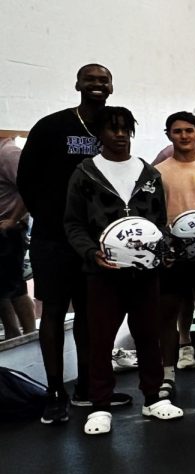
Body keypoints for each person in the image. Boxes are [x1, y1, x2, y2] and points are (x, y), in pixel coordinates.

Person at [64, 106, 183, 434]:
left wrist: (165, 249)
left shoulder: (149, 174)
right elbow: (73, 224)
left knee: (148, 335)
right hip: (103, 275)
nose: (118, 135)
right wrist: (91, 253)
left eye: (124, 128)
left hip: (145, 273)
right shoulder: (85, 173)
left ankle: (153, 398)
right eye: (111, 128)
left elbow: (160, 223)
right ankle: (100, 405)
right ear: (99, 134)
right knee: (100, 339)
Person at [17, 63, 120, 423]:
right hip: (53, 240)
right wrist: (50, 218)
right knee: (55, 313)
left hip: (97, 242)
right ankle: (55, 392)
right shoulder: (51, 126)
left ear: (111, 86)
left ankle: (88, 388)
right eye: (90, 79)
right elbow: (26, 179)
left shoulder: (113, 126)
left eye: (103, 80)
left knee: (91, 315)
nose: (97, 84)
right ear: (77, 84)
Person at [155, 111, 195, 388]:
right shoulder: (158, 172)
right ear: (169, 135)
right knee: (167, 315)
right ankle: (167, 375)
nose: (184, 136)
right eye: (177, 131)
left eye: (189, 131)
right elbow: (152, 215)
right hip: (171, 256)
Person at [0, 137, 34, 341]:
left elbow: (30, 187)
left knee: (15, 286)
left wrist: (13, 219)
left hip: (7, 230)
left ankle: (30, 336)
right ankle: (12, 333)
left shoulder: (8, 153)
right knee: (2, 289)